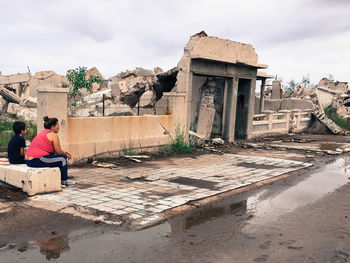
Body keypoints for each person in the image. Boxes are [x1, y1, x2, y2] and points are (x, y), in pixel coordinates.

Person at [25, 116, 75, 187]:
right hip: (36, 159)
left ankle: (61, 176)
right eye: (57, 125)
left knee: (57, 157)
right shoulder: (53, 135)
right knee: (62, 158)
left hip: (28, 160)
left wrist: (64, 152)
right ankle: (64, 181)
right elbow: (58, 151)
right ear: (52, 127)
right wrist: (66, 154)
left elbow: (55, 151)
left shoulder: (42, 133)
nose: (59, 127)